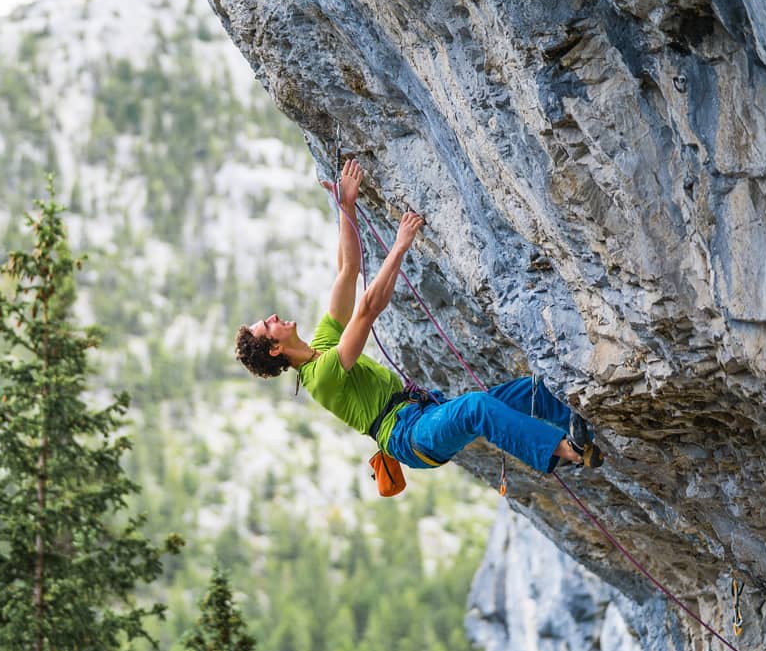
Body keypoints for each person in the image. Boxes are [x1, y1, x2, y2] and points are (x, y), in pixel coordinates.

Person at [234, 159, 603, 476]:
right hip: (408, 438)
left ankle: (577, 419)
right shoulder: (320, 378)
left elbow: (348, 270)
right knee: (477, 407)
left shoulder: (322, 345)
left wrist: (346, 206)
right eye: (267, 325)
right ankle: (567, 451)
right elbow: (367, 310)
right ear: (274, 349)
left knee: (528, 390)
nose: (273, 316)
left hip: (424, 413)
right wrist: (400, 246)